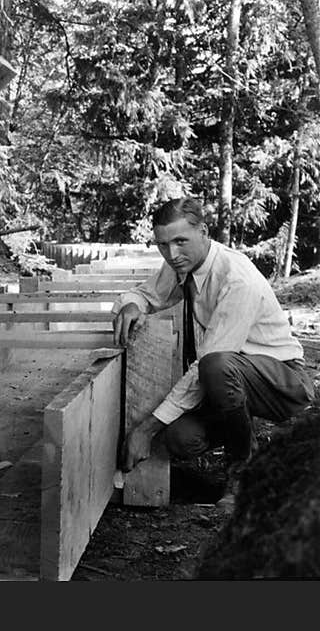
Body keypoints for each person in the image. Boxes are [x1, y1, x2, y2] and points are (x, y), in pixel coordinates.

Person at [112, 198, 314, 508]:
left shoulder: (236, 278)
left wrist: (146, 428)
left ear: (204, 232)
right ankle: (248, 435)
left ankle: (243, 471)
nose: (172, 253)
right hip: (231, 377)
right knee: (180, 438)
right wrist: (131, 305)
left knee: (215, 366)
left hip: (282, 382)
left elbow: (208, 363)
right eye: (163, 245)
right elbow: (144, 294)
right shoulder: (182, 264)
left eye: (181, 241)